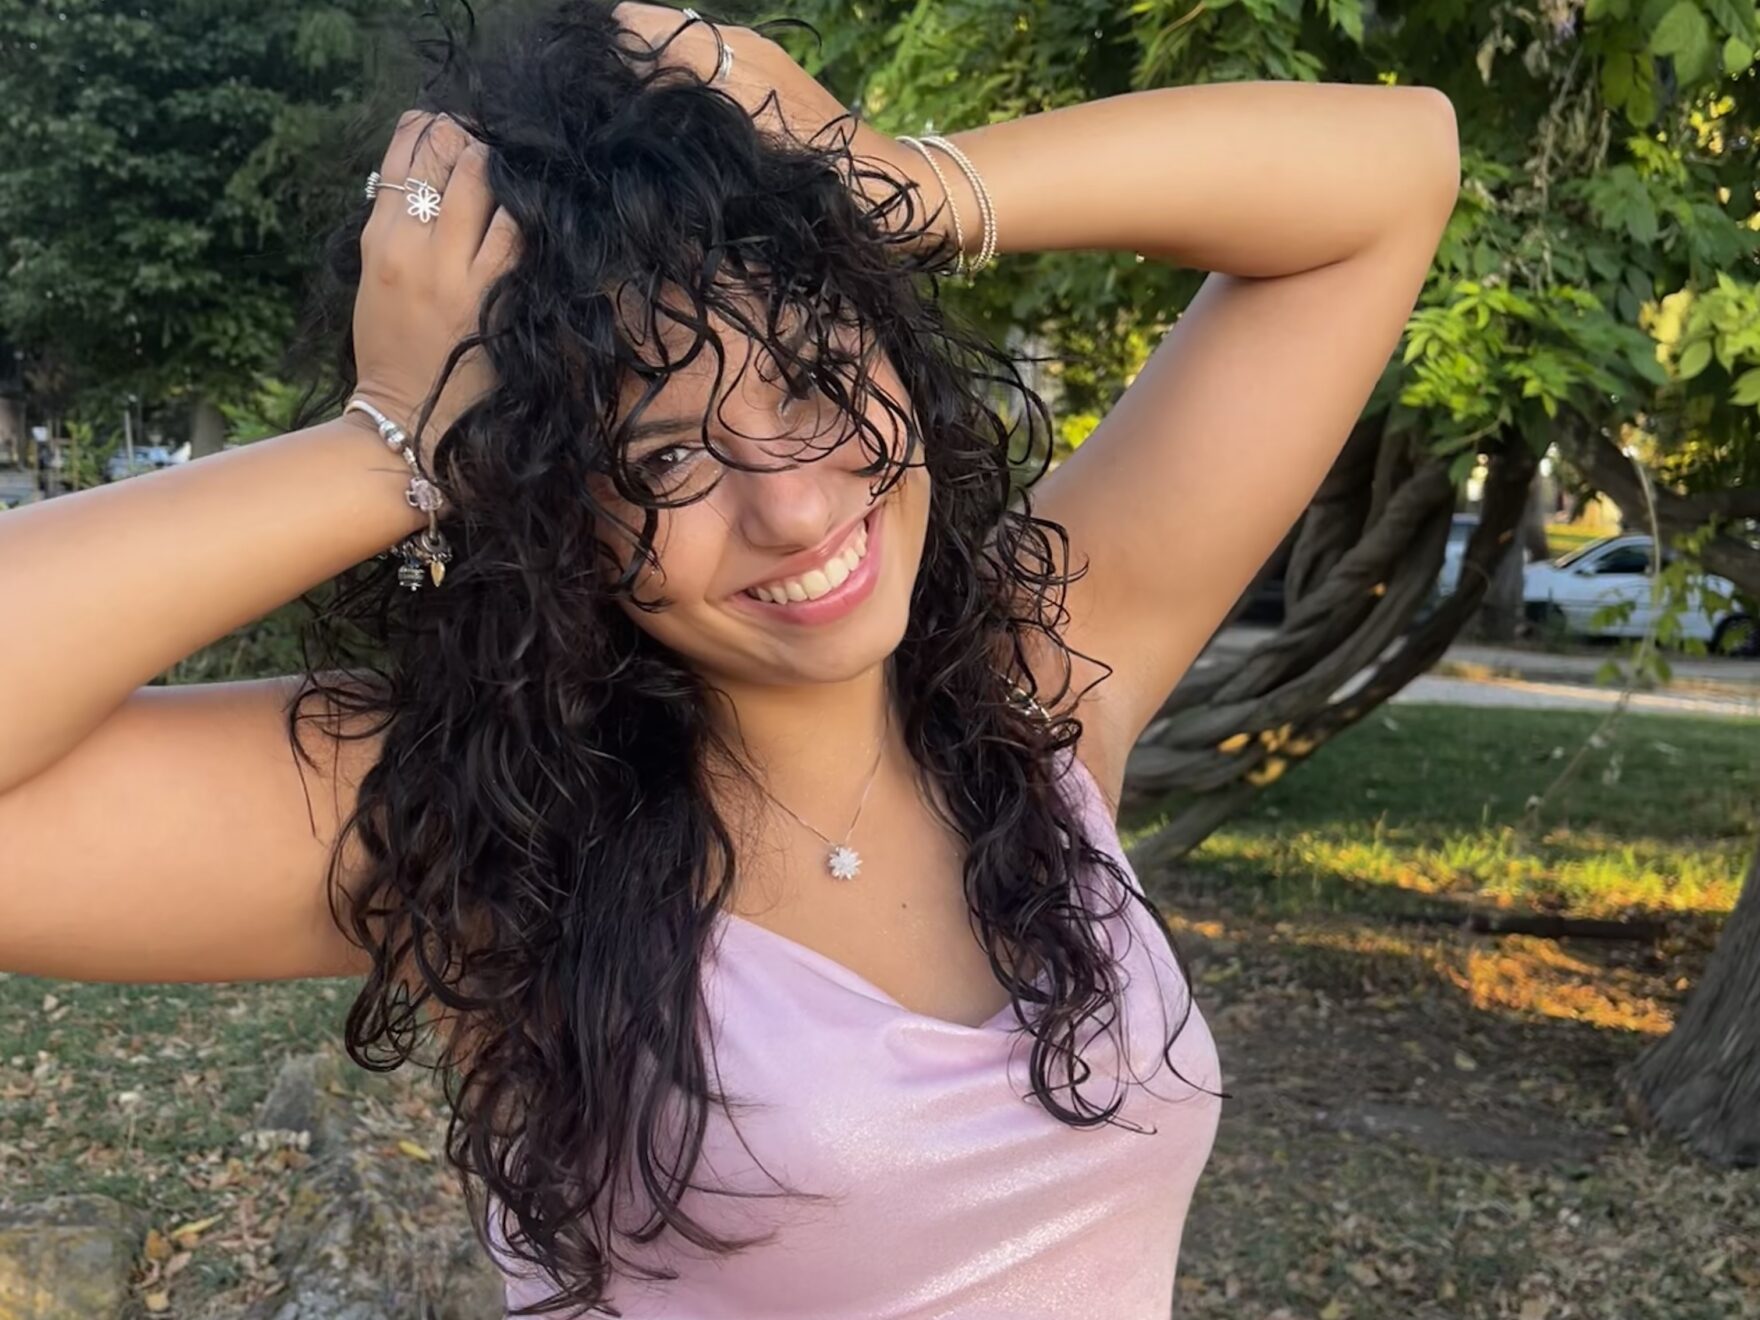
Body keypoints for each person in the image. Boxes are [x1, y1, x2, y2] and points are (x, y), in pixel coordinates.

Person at [0, 2, 1460, 1315]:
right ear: (543, 505)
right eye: (663, 457)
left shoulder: (1030, 688)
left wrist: (889, 178)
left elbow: (1393, 169)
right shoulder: (495, 825)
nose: (796, 507)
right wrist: (393, 439)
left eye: (815, 376)